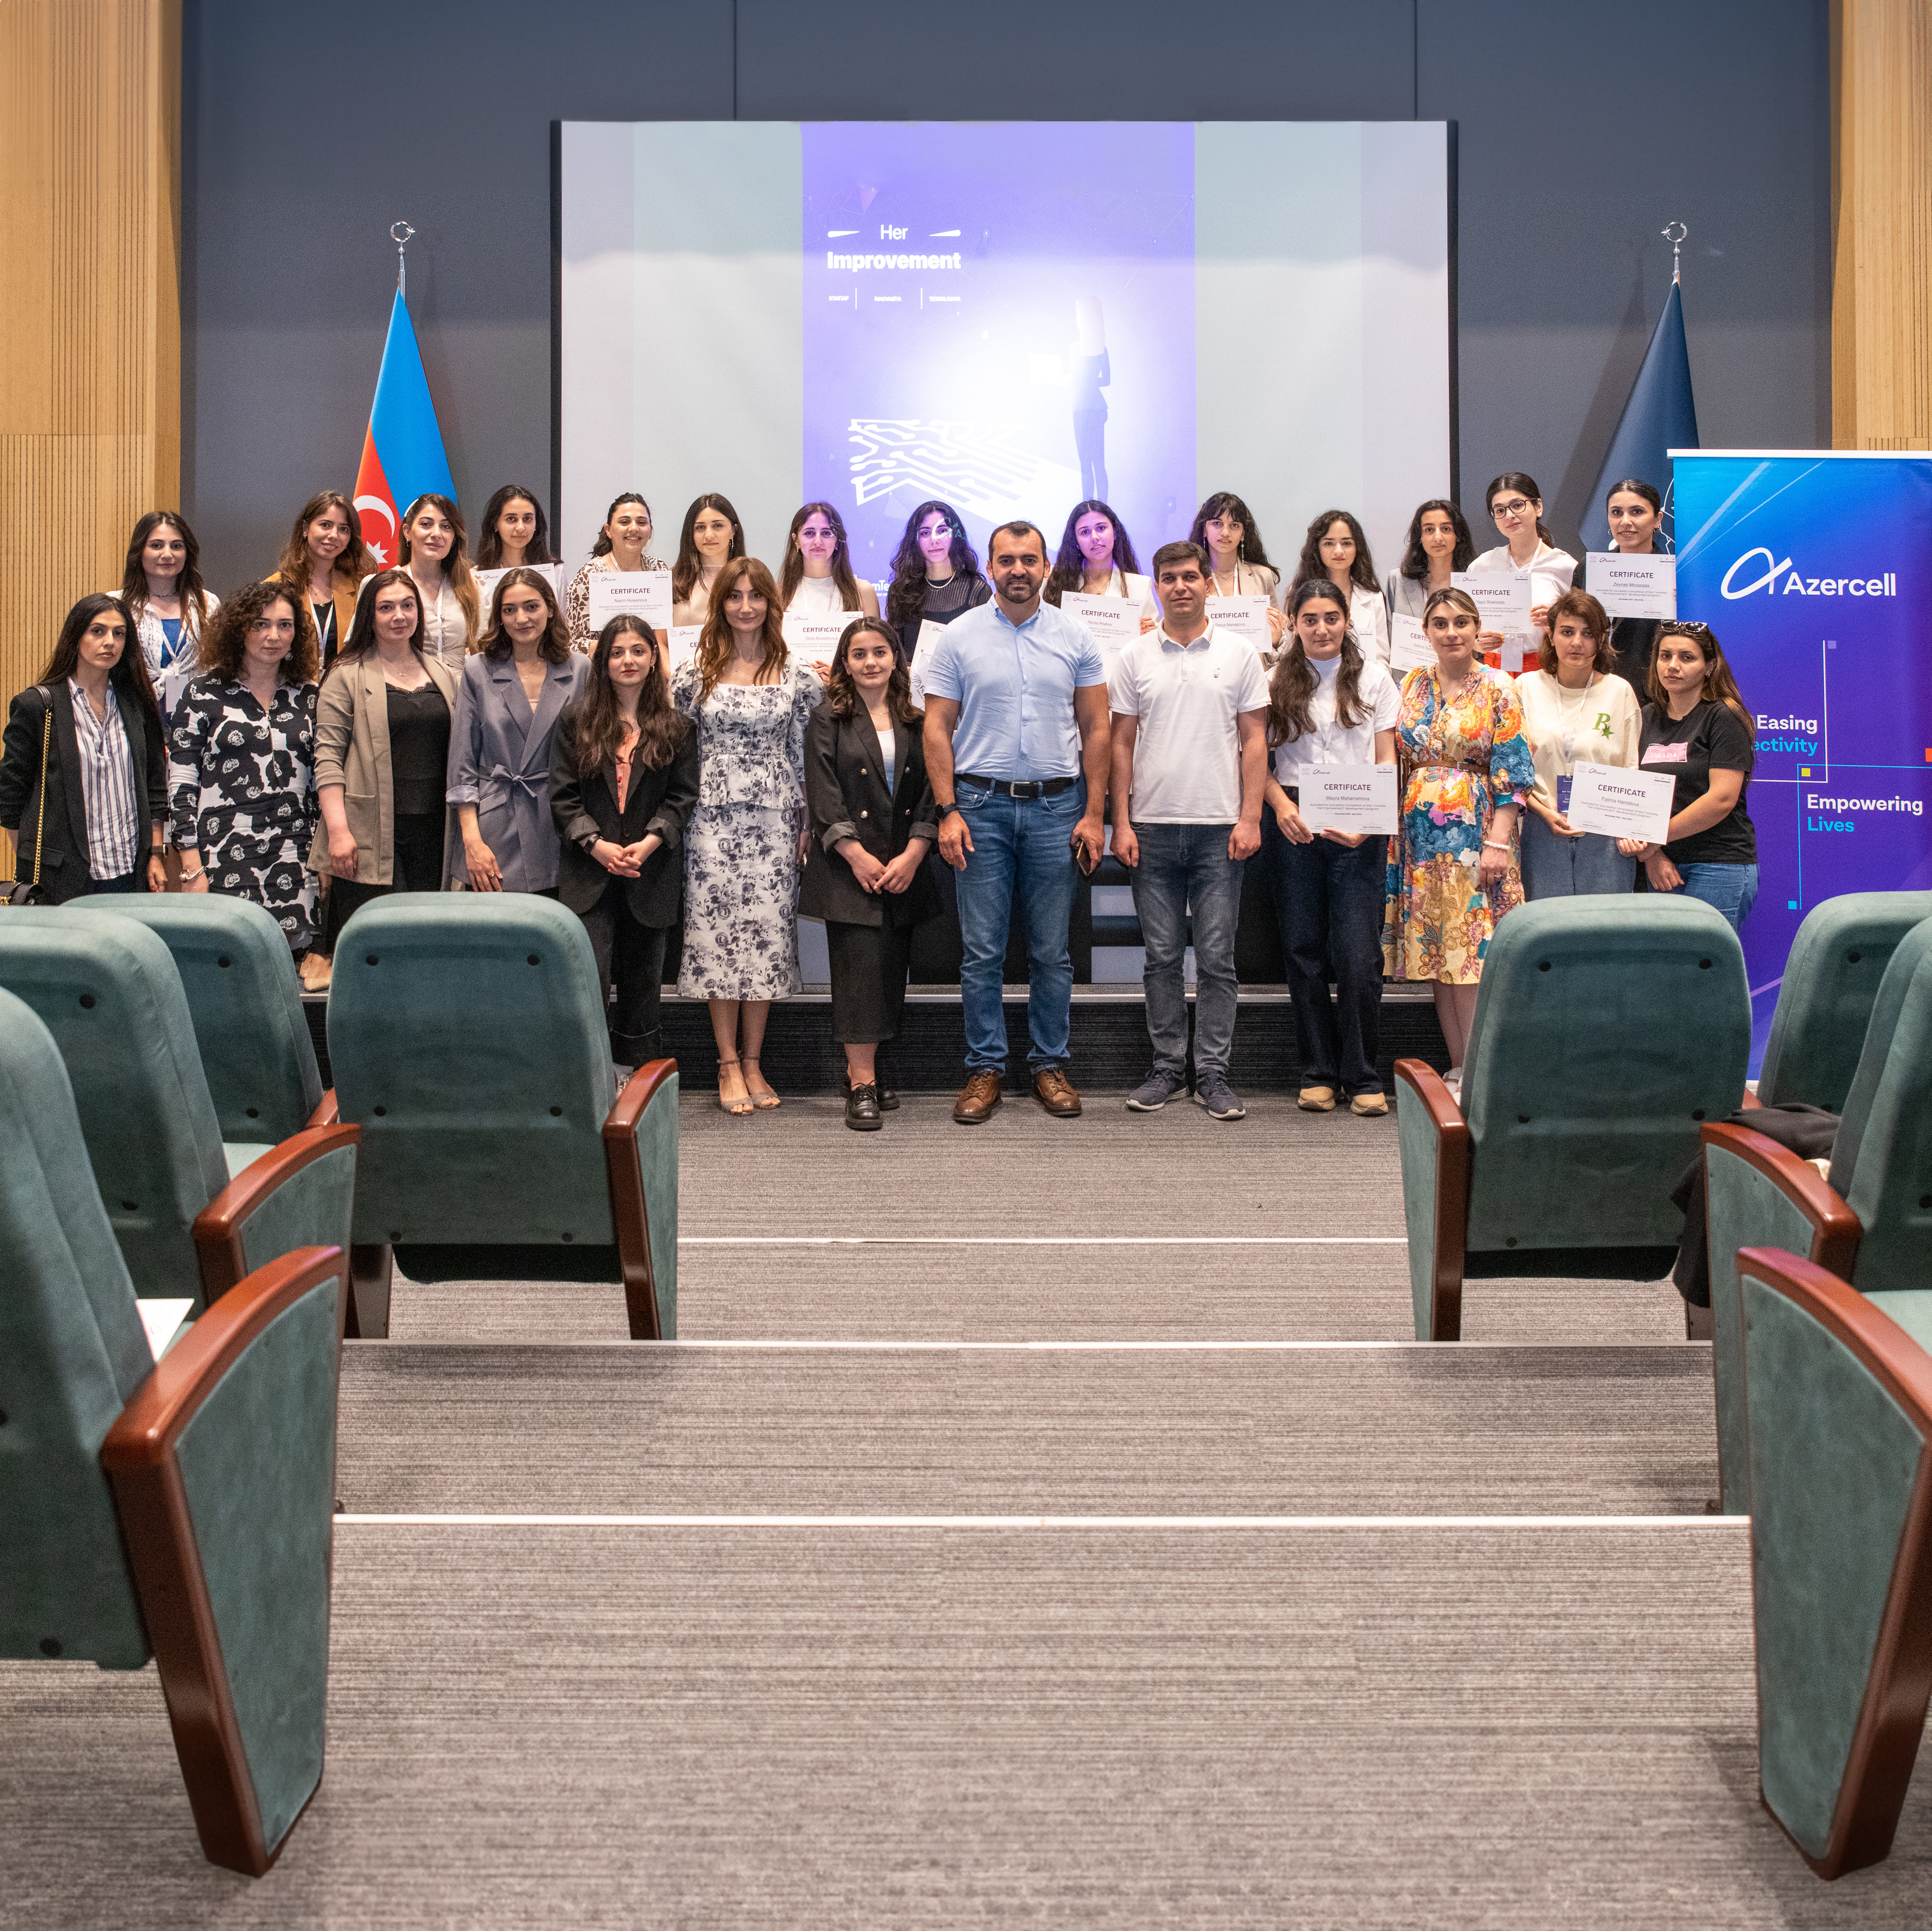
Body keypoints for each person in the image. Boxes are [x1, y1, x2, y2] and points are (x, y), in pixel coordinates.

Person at [922, 520, 1109, 1123]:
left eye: (1029, 559)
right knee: (981, 953)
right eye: (1007, 560)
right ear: (991, 567)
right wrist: (947, 810)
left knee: (1052, 953)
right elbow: (936, 727)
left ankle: (1049, 1064)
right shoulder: (959, 636)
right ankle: (985, 1067)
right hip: (980, 809)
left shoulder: (1076, 636)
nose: (1018, 570)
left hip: (1058, 810)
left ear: (1047, 566)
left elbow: (1097, 728)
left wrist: (1096, 813)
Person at [1108, 541, 1268, 1122]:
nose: (1180, 586)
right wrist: (1121, 821)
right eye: (1169, 577)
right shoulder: (1133, 656)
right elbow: (1121, 743)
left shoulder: (1239, 652)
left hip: (1219, 828)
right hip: (1150, 827)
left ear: (1207, 583)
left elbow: (1255, 739)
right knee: (1161, 958)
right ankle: (1168, 1068)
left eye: (1189, 576)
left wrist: (1250, 816)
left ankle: (1213, 1073)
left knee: (1218, 958)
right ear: (1156, 586)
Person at [672, 556, 823, 1115]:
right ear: (721, 604)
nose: (745, 606)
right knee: (717, 938)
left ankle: (755, 1060)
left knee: (766, 937)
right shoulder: (694, 673)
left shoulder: (796, 674)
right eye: (734, 596)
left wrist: (807, 820)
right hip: (711, 820)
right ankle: (727, 1061)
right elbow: (677, 750)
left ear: (770, 603)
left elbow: (803, 753)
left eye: (755, 595)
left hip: (776, 819)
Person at [1384, 586, 1534, 1095]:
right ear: (1426, 632)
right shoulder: (1412, 683)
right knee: (1437, 953)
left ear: (1477, 629)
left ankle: (1478, 1072)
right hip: (1419, 839)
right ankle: (1456, 1066)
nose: (1451, 633)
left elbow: (1513, 773)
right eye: (1440, 624)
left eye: (1461, 623)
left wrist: (1498, 842)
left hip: (1475, 833)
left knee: (1471, 952)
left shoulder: (1499, 686)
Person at [1262, 578, 1402, 1117]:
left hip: (1359, 821)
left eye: (1331, 618)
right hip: (1293, 819)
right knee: (1303, 952)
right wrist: (1281, 807)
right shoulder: (1273, 680)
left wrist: (1370, 822)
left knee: (1358, 955)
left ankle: (1363, 1075)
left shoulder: (1375, 678)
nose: (1321, 629)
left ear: (1347, 620)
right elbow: (1256, 760)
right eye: (1310, 619)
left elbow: (1386, 758)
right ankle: (1318, 1072)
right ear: (1294, 624)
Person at [798, 617, 941, 1130]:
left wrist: (914, 853)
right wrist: (855, 854)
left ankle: (867, 1073)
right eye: (858, 654)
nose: (870, 662)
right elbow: (823, 792)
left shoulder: (917, 719)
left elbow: (933, 790)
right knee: (858, 974)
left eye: (879, 652)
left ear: (896, 658)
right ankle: (861, 1082)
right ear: (844, 663)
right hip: (849, 867)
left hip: (901, 865)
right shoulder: (827, 719)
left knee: (888, 973)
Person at [552, 615, 700, 1071]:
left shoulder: (677, 726)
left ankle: (639, 1079)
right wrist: (595, 845)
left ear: (654, 658)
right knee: (588, 980)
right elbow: (562, 797)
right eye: (616, 653)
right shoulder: (575, 721)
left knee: (643, 985)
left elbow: (682, 796)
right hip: (589, 871)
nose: (627, 660)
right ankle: (591, 1080)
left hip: (649, 871)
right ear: (602, 662)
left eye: (638, 650)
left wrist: (651, 842)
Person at [166, 581, 322, 952]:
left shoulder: (310, 695)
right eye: (260, 624)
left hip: (295, 853)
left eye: (285, 625)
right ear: (239, 629)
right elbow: (182, 782)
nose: (274, 636)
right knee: (230, 958)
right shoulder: (201, 692)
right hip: (222, 852)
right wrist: (191, 866)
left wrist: (323, 856)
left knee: (289, 961)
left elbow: (320, 782)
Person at [309, 566, 461, 926]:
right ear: (369, 615)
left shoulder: (443, 674)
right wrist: (338, 832)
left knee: (428, 932)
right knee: (377, 937)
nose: (399, 616)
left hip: (435, 831)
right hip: (369, 832)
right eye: (386, 608)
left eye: (408, 605)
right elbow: (327, 759)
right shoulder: (345, 674)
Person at [0, 594, 166, 902]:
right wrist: (32, 860)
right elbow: (10, 796)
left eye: (119, 633)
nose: (110, 642)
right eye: (98, 631)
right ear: (76, 637)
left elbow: (155, 785)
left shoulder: (137, 703)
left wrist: (156, 854)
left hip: (130, 871)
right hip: (62, 877)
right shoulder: (38, 705)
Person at [447, 569, 589, 896]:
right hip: (493, 830)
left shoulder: (580, 668)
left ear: (550, 608)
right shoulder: (478, 669)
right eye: (509, 610)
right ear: (499, 617)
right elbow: (462, 764)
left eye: (532, 607)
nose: (521, 619)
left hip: (558, 825)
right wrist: (471, 841)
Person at [1624, 621, 1759, 932]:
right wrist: (1653, 855)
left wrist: (1654, 842)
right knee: (1666, 960)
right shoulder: (1645, 716)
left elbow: (1722, 799)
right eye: (1665, 656)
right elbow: (1632, 792)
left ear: (1710, 666)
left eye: (1687, 658)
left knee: (1705, 960)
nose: (1673, 666)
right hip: (1661, 866)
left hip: (1717, 865)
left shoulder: (1724, 716)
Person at [1513, 589, 1642, 900]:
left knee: (1603, 924)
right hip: (1541, 827)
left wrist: (1631, 828)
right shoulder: (1524, 687)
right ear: (1551, 636)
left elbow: (1630, 769)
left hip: (1605, 833)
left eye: (1588, 634)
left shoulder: (1620, 691)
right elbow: (1511, 768)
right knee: (1547, 924)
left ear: (1602, 640)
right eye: (1567, 632)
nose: (1577, 643)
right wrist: (1544, 812)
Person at [1467, 471, 1575, 674]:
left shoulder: (1565, 566)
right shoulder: (1481, 567)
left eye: (1517, 505)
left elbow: (1585, 628)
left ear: (1538, 507)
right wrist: (1476, 643)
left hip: (1547, 669)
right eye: (1500, 510)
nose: (1509, 516)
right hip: (1493, 670)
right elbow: (1466, 626)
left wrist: (1557, 623)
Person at [359, 492, 479, 672]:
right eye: (426, 524)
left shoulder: (473, 585)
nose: (437, 534)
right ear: (407, 532)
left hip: (463, 686)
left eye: (446, 526)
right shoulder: (378, 586)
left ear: (455, 538)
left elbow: (485, 647)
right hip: (405, 683)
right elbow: (360, 650)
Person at [1572, 477, 1667, 696]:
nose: (1625, 521)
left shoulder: (1675, 573)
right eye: (1616, 513)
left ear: (1657, 519)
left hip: (1651, 693)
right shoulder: (1589, 568)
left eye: (1637, 512)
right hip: (1592, 686)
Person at [118, 510, 219, 702]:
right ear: (140, 551)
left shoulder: (208, 603)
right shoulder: (118, 605)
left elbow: (217, 665)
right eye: (156, 546)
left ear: (187, 553)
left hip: (195, 709)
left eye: (177, 546)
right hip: (135, 709)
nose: (167, 554)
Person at [270, 490, 369, 671]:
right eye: (325, 525)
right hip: (290, 685)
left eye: (344, 529)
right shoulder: (275, 588)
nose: (334, 535)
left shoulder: (360, 588)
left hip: (343, 686)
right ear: (305, 529)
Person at [885, 500, 990, 664]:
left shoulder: (976, 590)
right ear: (915, 540)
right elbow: (894, 652)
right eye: (925, 533)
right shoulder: (900, 590)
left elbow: (983, 654)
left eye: (942, 531)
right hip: (910, 680)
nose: (934, 540)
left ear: (956, 535)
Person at [565, 492, 669, 652]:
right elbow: (573, 643)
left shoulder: (659, 569)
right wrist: (614, 649)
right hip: (608, 666)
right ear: (609, 531)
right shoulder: (590, 576)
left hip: (652, 664)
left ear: (650, 531)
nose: (634, 528)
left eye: (641, 522)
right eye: (624, 522)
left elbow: (668, 631)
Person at [1292, 509, 1391, 666]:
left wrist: (1368, 681)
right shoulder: (1299, 592)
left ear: (1357, 548)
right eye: (1329, 543)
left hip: (1364, 679)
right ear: (1317, 548)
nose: (1339, 551)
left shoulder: (1374, 597)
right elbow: (1292, 653)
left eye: (1347, 543)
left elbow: (1382, 659)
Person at [1187, 492, 1287, 644]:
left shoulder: (1263, 575)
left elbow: (1276, 642)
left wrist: (1275, 639)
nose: (1225, 533)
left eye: (1234, 525)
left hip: (1253, 658)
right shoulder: (1190, 578)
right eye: (1217, 523)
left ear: (1243, 534)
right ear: (1204, 530)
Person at [1042, 500, 1152, 618]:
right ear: (1076, 541)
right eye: (1085, 532)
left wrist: (1150, 628)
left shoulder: (1141, 586)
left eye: (1101, 528)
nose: (1094, 537)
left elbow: (1153, 628)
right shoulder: (1051, 578)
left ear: (1115, 533)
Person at [779, 501, 880, 619]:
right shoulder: (779, 594)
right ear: (796, 540)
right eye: (809, 533)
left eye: (826, 533)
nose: (818, 541)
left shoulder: (863, 592)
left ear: (838, 540)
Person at [1384, 499, 1476, 622]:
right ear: (1420, 537)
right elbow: (1390, 631)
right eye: (1429, 530)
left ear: (1458, 535)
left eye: (1446, 529)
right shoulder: (1397, 580)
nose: (1438, 538)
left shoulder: (1474, 581)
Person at [671, 493, 747, 629]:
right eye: (700, 527)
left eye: (717, 526)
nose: (709, 535)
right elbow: (660, 640)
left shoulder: (751, 577)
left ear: (733, 531)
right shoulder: (671, 580)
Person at [475, 484, 560, 570]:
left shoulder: (555, 571)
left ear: (536, 523)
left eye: (527, 519)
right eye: (511, 519)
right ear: (495, 524)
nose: (520, 528)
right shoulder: (477, 575)